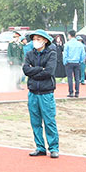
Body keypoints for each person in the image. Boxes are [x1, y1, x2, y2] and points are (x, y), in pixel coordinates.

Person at [23, 29, 60, 158]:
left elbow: (49, 71)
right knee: (35, 121)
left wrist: (34, 72)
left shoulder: (51, 53)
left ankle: (54, 147)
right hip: (33, 92)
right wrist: (39, 70)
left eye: (38, 39)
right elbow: (26, 69)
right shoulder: (29, 54)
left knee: (49, 120)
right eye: (34, 39)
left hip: (46, 93)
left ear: (45, 41)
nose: (35, 41)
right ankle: (40, 147)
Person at [63, 33, 86, 98]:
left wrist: (65, 62)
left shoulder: (67, 44)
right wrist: (80, 61)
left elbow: (65, 54)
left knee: (70, 78)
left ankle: (71, 92)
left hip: (69, 62)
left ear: (69, 35)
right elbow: (83, 54)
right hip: (77, 62)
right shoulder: (80, 45)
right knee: (77, 78)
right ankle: (77, 92)